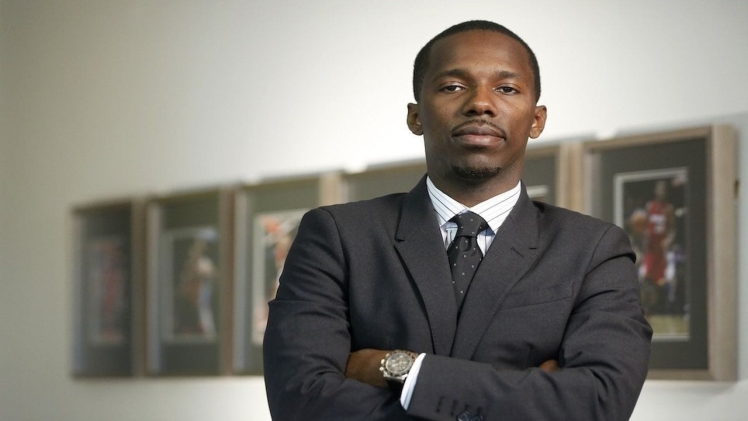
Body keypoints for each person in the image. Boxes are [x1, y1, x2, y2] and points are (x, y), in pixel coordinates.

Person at [263, 20, 652, 421]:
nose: (480, 104)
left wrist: (402, 370)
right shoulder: (337, 236)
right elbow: (300, 402)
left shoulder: (594, 249)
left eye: (506, 88)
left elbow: (600, 404)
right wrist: (528, 397)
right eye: (452, 86)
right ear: (416, 116)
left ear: (537, 120)